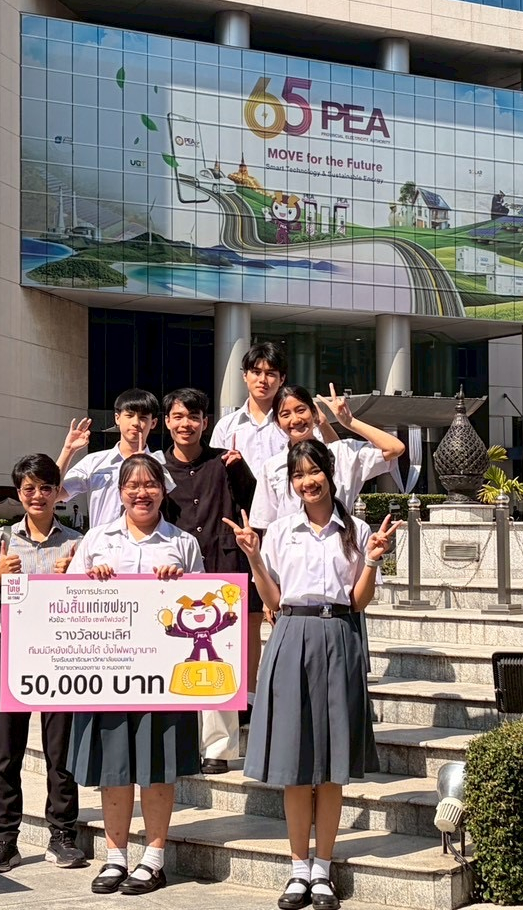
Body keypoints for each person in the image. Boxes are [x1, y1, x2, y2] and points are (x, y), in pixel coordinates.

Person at [225, 440, 400, 910]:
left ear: (329, 473)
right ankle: (298, 868)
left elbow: (358, 601)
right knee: (296, 763)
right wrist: (254, 557)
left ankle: (323, 869)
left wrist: (373, 559)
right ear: (291, 482)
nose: (308, 482)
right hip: (292, 635)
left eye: (314, 471)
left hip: (340, 635)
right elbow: (273, 599)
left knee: (332, 767)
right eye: (298, 475)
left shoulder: (357, 530)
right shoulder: (281, 531)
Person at [67, 454, 203, 895]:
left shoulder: (183, 543)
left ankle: (154, 859)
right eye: (132, 485)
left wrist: (181, 583)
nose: (141, 493)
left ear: (163, 490)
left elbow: (206, 602)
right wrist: (91, 580)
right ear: (120, 492)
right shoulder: (96, 539)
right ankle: (115, 857)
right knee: (115, 768)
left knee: (159, 767)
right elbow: (66, 601)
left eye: (150, 485)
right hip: (109, 673)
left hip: (164, 677)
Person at [0, 454, 86, 875]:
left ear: (57, 493)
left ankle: (62, 834)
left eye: (46, 488)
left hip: (61, 651)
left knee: (61, 749)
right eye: (29, 489)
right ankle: (4, 839)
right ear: (19, 493)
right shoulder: (1, 539)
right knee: (6, 748)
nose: (38, 496)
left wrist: (76, 578)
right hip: (11, 647)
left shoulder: (76, 543)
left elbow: (92, 599)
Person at [160, 387, 258, 776]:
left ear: (205, 422)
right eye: (178, 417)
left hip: (223, 568)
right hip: (176, 573)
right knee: (177, 658)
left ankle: (219, 747)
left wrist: (241, 470)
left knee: (221, 658)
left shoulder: (225, 462)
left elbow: (254, 503)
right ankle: (182, 742)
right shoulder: (158, 467)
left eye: (193, 416)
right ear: (167, 422)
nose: (185, 424)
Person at [248, 384, 405, 530]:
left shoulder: (342, 453)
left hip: (340, 543)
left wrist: (350, 422)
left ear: (314, 412)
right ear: (277, 422)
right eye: (285, 414)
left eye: (301, 410)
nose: (295, 420)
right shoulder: (272, 467)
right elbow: (266, 525)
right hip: (290, 548)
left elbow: (395, 448)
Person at [59, 389, 174, 529]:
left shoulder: (160, 464)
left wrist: (143, 468)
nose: (135, 422)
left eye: (143, 417)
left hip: (146, 540)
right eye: (129, 415)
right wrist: (68, 450)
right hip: (101, 541)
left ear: (154, 422)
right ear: (117, 418)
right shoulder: (94, 462)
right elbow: (54, 494)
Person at [210, 341, 292, 480]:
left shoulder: (291, 423)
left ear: (282, 379)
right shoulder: (226, 426)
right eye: (256, 372)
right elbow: (214, 472)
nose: (262, 380)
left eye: (270, 373)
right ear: (245, 375)